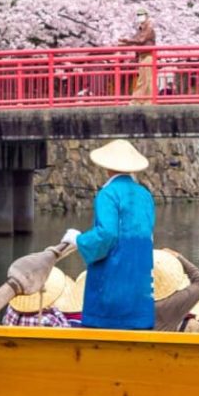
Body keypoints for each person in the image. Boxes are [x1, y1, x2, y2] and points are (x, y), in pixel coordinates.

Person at [65, 139, 157, 330]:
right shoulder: (145, 195)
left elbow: (106, 234)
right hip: (140, 287)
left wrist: (78, 240)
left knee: (103, 330)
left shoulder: (108, 194)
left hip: (112, 285)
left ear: (107, 167)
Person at [2, 266, 79, 328]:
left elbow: (5, 323)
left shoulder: (11, 311)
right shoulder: (48, 319)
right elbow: (65, 328)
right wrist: (54, 309)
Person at [123, 11, 159, 101]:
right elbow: (137, 40)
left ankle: (143, 100)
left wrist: (128, 41)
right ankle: (143, 99)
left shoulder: (149, 28)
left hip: (148, 56)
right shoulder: (140, 29)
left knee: (147, 79)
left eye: (141, 15)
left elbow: (141, 40)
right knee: (143, 79)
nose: (140, 17)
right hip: (142, 56)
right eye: (138, 15)